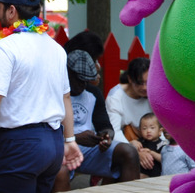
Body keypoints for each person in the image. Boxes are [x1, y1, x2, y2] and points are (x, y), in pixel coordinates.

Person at [0, 0, 83, 192]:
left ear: (11, 11)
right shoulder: (56, 48)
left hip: (19, 145)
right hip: (52, 145)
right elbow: (65, 97)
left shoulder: (4, 48)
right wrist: (69, 139)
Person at [52, 51, 139, 191]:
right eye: (79, 79)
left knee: (129, 152)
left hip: (89, 149)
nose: (83, 84)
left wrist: (106, 137)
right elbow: (47, 133)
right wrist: (75, 139)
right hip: (61, 148)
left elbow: (105, 125)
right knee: (59, 171)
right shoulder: (53, 93)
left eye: (86, 80)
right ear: (67, 73)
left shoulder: (92, 93)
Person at [105, 58, 154, 171]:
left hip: (152, 143)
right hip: (127, 144)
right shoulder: (116, 96)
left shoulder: (154, 92)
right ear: (130, 79)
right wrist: (135, 151)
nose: (145, 88)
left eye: (148, 82)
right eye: (139, 83)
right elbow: (114, 131)